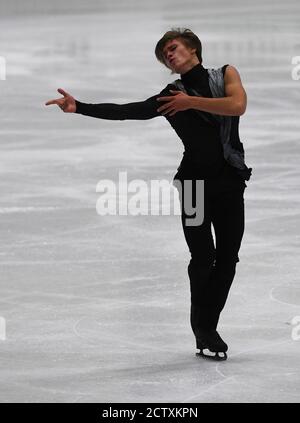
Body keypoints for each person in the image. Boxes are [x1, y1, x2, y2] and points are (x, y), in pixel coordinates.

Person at [45, 28, 252, 361]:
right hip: (194, 186)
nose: (169, 55)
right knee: (202, 257)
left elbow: (237, 105)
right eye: (164, 54)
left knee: (228, 258)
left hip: (230, 181)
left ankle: (205, 324)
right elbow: (129, 110)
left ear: (193, 49)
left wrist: (191, 102)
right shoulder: (171, 95)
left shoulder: (225, 73)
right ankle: (205, 329)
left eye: (172, 48)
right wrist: (79, 107)